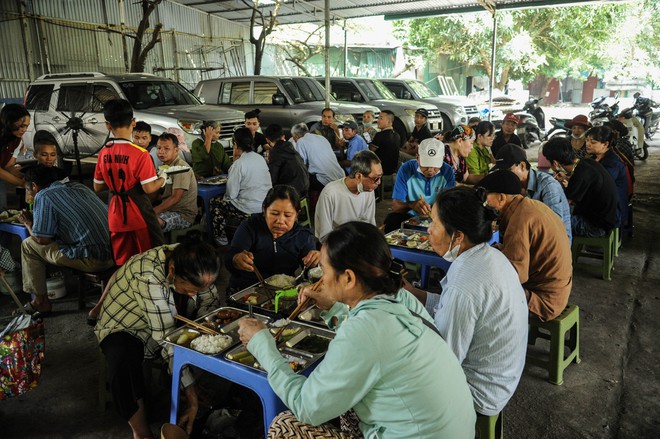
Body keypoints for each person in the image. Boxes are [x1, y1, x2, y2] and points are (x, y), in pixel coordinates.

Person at [237, 222, 476, 438]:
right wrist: (333, 307)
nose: (323, 279)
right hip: (452, 429)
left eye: (324, 269)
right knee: (346, 401)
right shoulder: (401, 297)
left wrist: (262, 344)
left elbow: (307, 407)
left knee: (285, 425)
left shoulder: (364, 330)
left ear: (349, 278)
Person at [406, 186, 528, 417]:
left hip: (480, 392)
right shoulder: (489, 255)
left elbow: (444, 360)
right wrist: (414, 293)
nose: (428, 231)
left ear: (458, 236)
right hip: (503, 375)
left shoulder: (465, 286)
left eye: (434, 224)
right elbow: (454, 308)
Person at [94, 239, 221, 439]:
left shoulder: (194, 261)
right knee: (122, 362)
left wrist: (205, 321)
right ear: (172, 271)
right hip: (125, 326)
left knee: (201, 336)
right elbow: (167, 339)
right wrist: (192, 396)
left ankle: (181, 384)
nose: (193, 294)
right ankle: (141, 432)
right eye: (188, 289)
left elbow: (210, 300)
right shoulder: (148, 275)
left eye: (196, 290)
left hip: (162, 320)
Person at [476, 170, 573, 322]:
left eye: (487, 197)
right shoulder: (531, 206)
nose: (486, 203)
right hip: (558, 290)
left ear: (501, 197)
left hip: (543, 301)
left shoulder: (520, 220)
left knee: (482, 294)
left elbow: (516, 275)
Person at [18, 165, 114, 315]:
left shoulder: (44, 195)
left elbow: (42, 240)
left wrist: (29, 224)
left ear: (35, 186)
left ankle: (40, 301)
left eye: (28, 189)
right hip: (115, 252)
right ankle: (41, 299)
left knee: (28, 245)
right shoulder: (79, 187)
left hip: (94, 259)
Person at [94, 99, 165, 265]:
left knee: (123, 263)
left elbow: (98, 187)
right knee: (148, 261)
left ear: (107, 125)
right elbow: (148, 188)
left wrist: (116, 183)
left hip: (115, 214)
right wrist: (162, 178)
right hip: (138, 213)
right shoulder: (140, 153)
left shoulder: (104, 152)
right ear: (133, 122)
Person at [226, 185, 319, 291]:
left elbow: (310, 274)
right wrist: (236, 259)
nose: (280, 221)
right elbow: (229, 259)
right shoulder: (250, 227)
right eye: (274, 214)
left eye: (288, 215)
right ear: (265, 210)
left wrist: (317, 263)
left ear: (296, 214)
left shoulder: (302, 236)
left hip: (283, 292)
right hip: (247, 290)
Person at [493, 144, 572, 242]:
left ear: (522, 166)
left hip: (553, 242)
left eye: (508, 171)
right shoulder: (510, 184)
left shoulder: (548, 185)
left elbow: (554, 224)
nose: (504, 175)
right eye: (501, 171)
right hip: (527, 236)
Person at [542, 136, 618, 237]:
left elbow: (563, 204)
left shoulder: (580, 175)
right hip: (608, 218)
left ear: (555, 163)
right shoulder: (586, 163)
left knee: (547, 223)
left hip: (597, 227)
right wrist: (568, 178)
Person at [210, 127, 272, 246]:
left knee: (215, 202)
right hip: (265, 205)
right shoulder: (260, 158)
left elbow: (231, 194)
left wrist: (235, 160)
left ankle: (221, 240)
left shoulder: (238, 165)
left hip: (248, 209)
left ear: (235, 144)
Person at [384, 138, 455, 233]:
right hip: (411, 216)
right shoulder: (406, 169)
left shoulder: (447, 171)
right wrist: (412, 204)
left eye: (435, 165)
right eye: (426, 164)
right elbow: (396, 205)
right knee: (392, 219)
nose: (430, 170)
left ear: (442, 159)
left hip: (438, 217)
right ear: (417, 158)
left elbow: (450, 204)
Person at [314, 151, 381, 243]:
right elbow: (325, 236)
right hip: (335, 245)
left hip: (357, 242)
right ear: (359, 176)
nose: (378, 182)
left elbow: (368, 224)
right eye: (375, 178)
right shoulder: (330, 193)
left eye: (380, 177)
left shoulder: (368, 190)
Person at [585, 125, 630, 228]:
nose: (588, 144)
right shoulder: (594, 158)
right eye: (587, 140)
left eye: (593, 142)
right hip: (604, 207)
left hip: (612, 215)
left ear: (605, 144)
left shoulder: (613, 163)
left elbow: (598, 186)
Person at [153, 133, 198, 232]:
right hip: (168, 209)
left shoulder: (181, 168)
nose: (161, 152)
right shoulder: (164, 166)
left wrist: (153, 211)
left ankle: (159, 246)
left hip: (183, 214)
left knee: (150, 221)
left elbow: (176, 198)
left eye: (166, 149)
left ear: (176, 150)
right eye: (159, 148)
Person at [290, 123, 345, 193]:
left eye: (294, 139)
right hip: (341, 176)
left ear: (297, 136)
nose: (295, 141)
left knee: (300, 178)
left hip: (325, 181)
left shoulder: (301, 141)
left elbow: (301, 166)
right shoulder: (322, 138)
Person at [263, 124, 309, 197]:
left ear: (267, 139)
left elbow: (272, 179)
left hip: (293, 193)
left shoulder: (276, 152)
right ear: (283, 137)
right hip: (304, 189)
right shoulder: (290, 147)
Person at [0, 104, 29, 209]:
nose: (24, 130)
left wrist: (28, 177)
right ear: (8, 122)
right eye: (21, 126)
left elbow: (9, 166)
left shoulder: (17, 140)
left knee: (1, 210)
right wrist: (23, 183)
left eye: (26, 126)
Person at [369, 109, 400, 176]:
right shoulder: (397, 135)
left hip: (381, 170)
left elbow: (370, 152)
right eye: (378, 118)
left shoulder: (380, 135)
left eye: (381, 118)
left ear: (389, 122)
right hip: (393, 170)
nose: (378, 121)